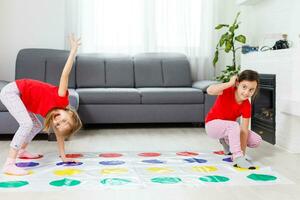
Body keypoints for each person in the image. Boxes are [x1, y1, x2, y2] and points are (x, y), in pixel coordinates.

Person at [0, 34, 82, 175]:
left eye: (57, 125)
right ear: (69, 112)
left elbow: (60, 137)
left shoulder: (53, 115)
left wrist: (64, 157)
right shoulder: (61, 98)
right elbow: (64, 75)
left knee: (36, 125)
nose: (56, 121)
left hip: (21, 99)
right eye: (62, 120)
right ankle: (9, 163)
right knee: (27, 124)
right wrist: (73, 51)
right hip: (12, 92)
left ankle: (22, 151)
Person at [205, 70, 262, 169]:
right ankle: (236, 157)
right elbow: (209, 90)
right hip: (211, 125)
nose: (246, 92)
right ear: (237, 84)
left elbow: (244, 131)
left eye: (251, 90)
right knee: (234, 125)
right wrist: (230, 83)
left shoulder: (246, 105)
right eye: (244, 87)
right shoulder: (227, 90)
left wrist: (243, 154)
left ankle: (226, 141)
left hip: (229, 128)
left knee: (256, 140)